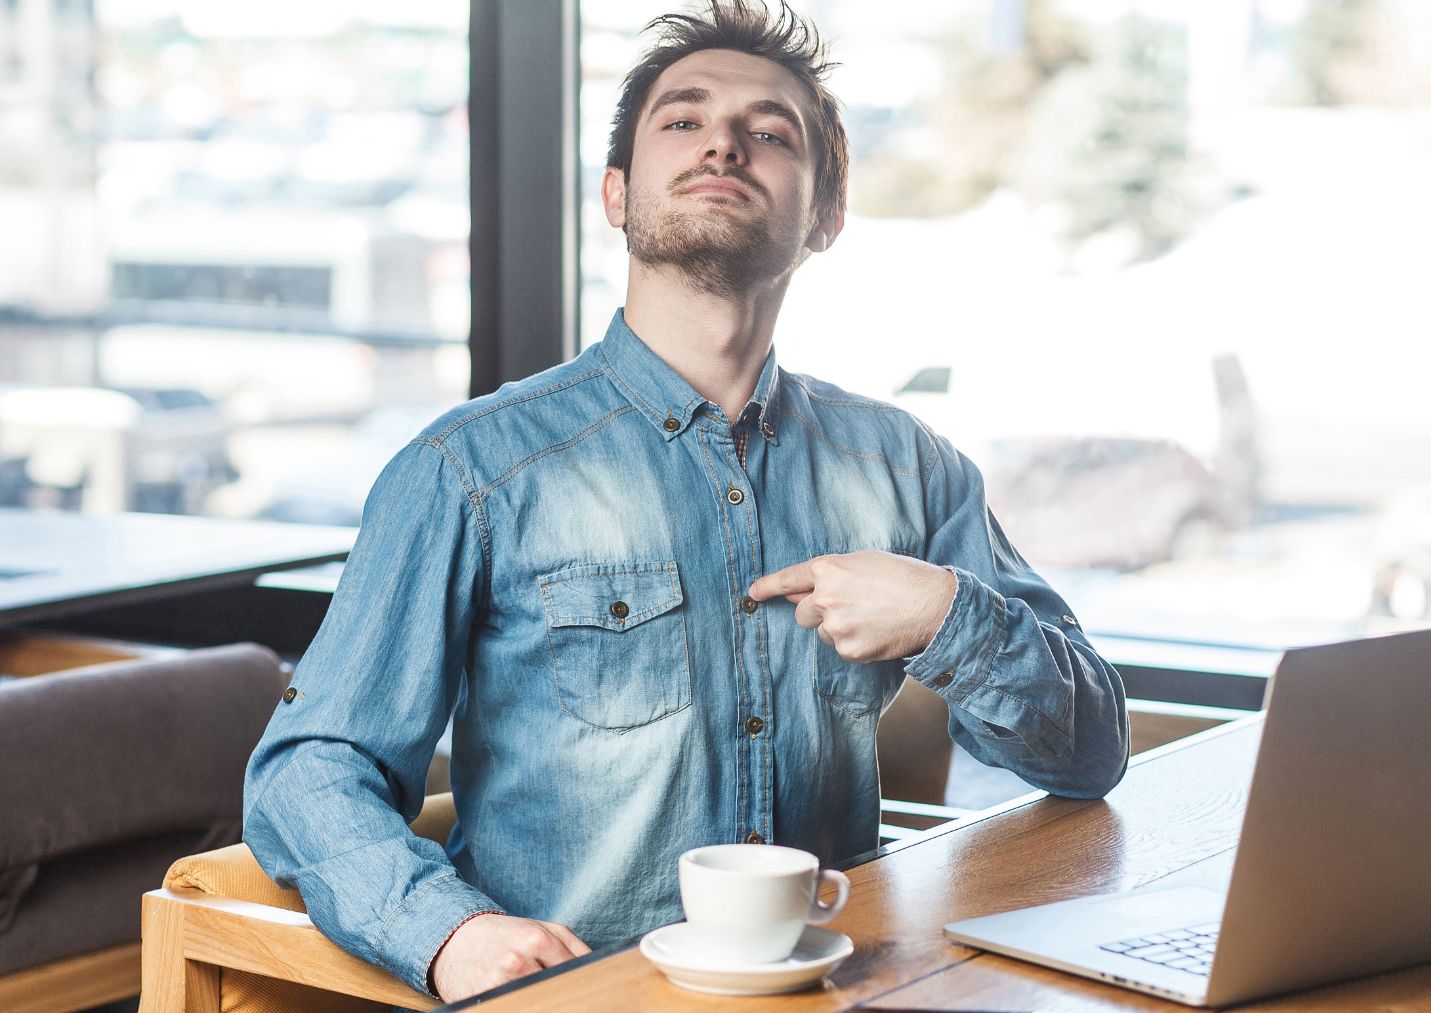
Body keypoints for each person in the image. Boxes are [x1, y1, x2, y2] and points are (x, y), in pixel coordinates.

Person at [241, 0, 1130, 1002]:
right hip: (584, 995)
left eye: (770, 131)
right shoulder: (467, 470)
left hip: (838, 988)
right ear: (617, 195)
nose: (723, 141)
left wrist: (946, 616)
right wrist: (453, 932)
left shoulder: (909, 465)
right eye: (683, 118)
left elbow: (1089, 753)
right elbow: (308, 770)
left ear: (826, 217)